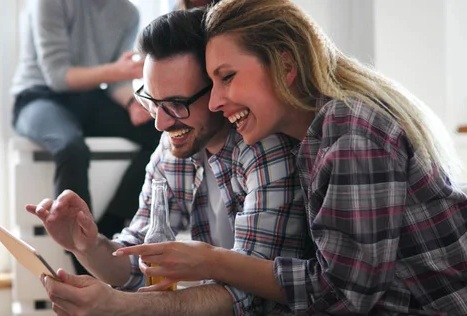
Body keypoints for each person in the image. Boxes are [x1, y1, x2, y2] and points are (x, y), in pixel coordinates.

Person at [119, 0, 467, 315]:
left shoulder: (349, 128)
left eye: (227, 77)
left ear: (285, 65)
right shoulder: (311, 139)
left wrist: (212, 262)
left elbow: (343, 296)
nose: (215, 102)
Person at [26, 8, 310, 316]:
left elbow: (253, 297)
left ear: (217, 88)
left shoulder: (263, 148)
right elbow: (137, 263)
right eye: (152, 102)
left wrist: (119, 306)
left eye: (177, 104)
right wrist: (88, 245)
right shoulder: (174, 148)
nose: (160, 123)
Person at [10, 0, 162, 269]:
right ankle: (82, 262)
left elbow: (117, 84)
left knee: (160, 129)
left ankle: (110, 226)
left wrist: (132, 104)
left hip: (91, 97)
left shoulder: (127, 13)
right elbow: (57, 76)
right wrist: (117, 70)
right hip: (39, 96)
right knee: (70, 146)